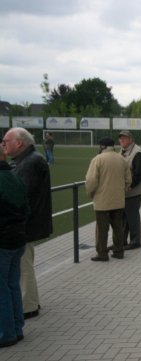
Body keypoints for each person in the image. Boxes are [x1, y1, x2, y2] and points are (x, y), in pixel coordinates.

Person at [1, 127, 52, 319]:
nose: (3, 144)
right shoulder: (29, 160)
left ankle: (28, 306)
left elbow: (22, 195)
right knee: (24, 265)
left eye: (6, 141)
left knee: (24, 266)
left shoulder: (30, 162)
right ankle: (30, 301)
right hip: (27, 223)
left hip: (25, 225)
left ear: (19, 143)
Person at [0, 146, 29, 348]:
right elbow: (26, 208)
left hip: (2, 240)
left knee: (2, 288)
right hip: (17, 238)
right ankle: (17, 328)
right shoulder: (15, 176)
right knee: (12, 285)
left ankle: (6, 333)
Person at [85, 137, 131, 261]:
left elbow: (91, 181)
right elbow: (128, 179)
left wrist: (91, 193)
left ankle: (102, 253)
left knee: (102, 229)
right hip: (118, 200)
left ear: (102, 146)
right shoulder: (121, 159)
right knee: (118, 227)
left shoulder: (97, 159)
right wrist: (124, 189)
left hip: (102, 201)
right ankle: (118, 251)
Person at [118, 130, 141, 250]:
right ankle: (122, 241)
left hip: (134, 191)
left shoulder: (138, 152)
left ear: (131, 139)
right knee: (124, 216)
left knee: (132, 216)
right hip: (125, 191)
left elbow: (140, 173)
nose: (121, 140)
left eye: (124, 138)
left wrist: (131, 185)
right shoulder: (122, 151)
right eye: (120, 138)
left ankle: (135, 241)